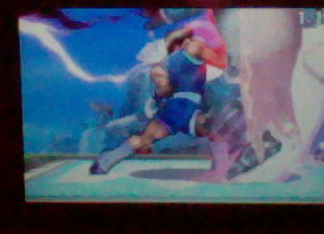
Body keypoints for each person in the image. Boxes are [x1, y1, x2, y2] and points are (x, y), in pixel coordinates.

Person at [90, 25, 227, 175]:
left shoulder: (163, 65)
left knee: (146, 138)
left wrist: (158, 99)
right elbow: (223, 62)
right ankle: (221, 169)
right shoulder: (195, 47)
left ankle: (105, 161)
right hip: (184, 107)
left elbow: (164, 90)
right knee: (217, 129)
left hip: (178, 109)